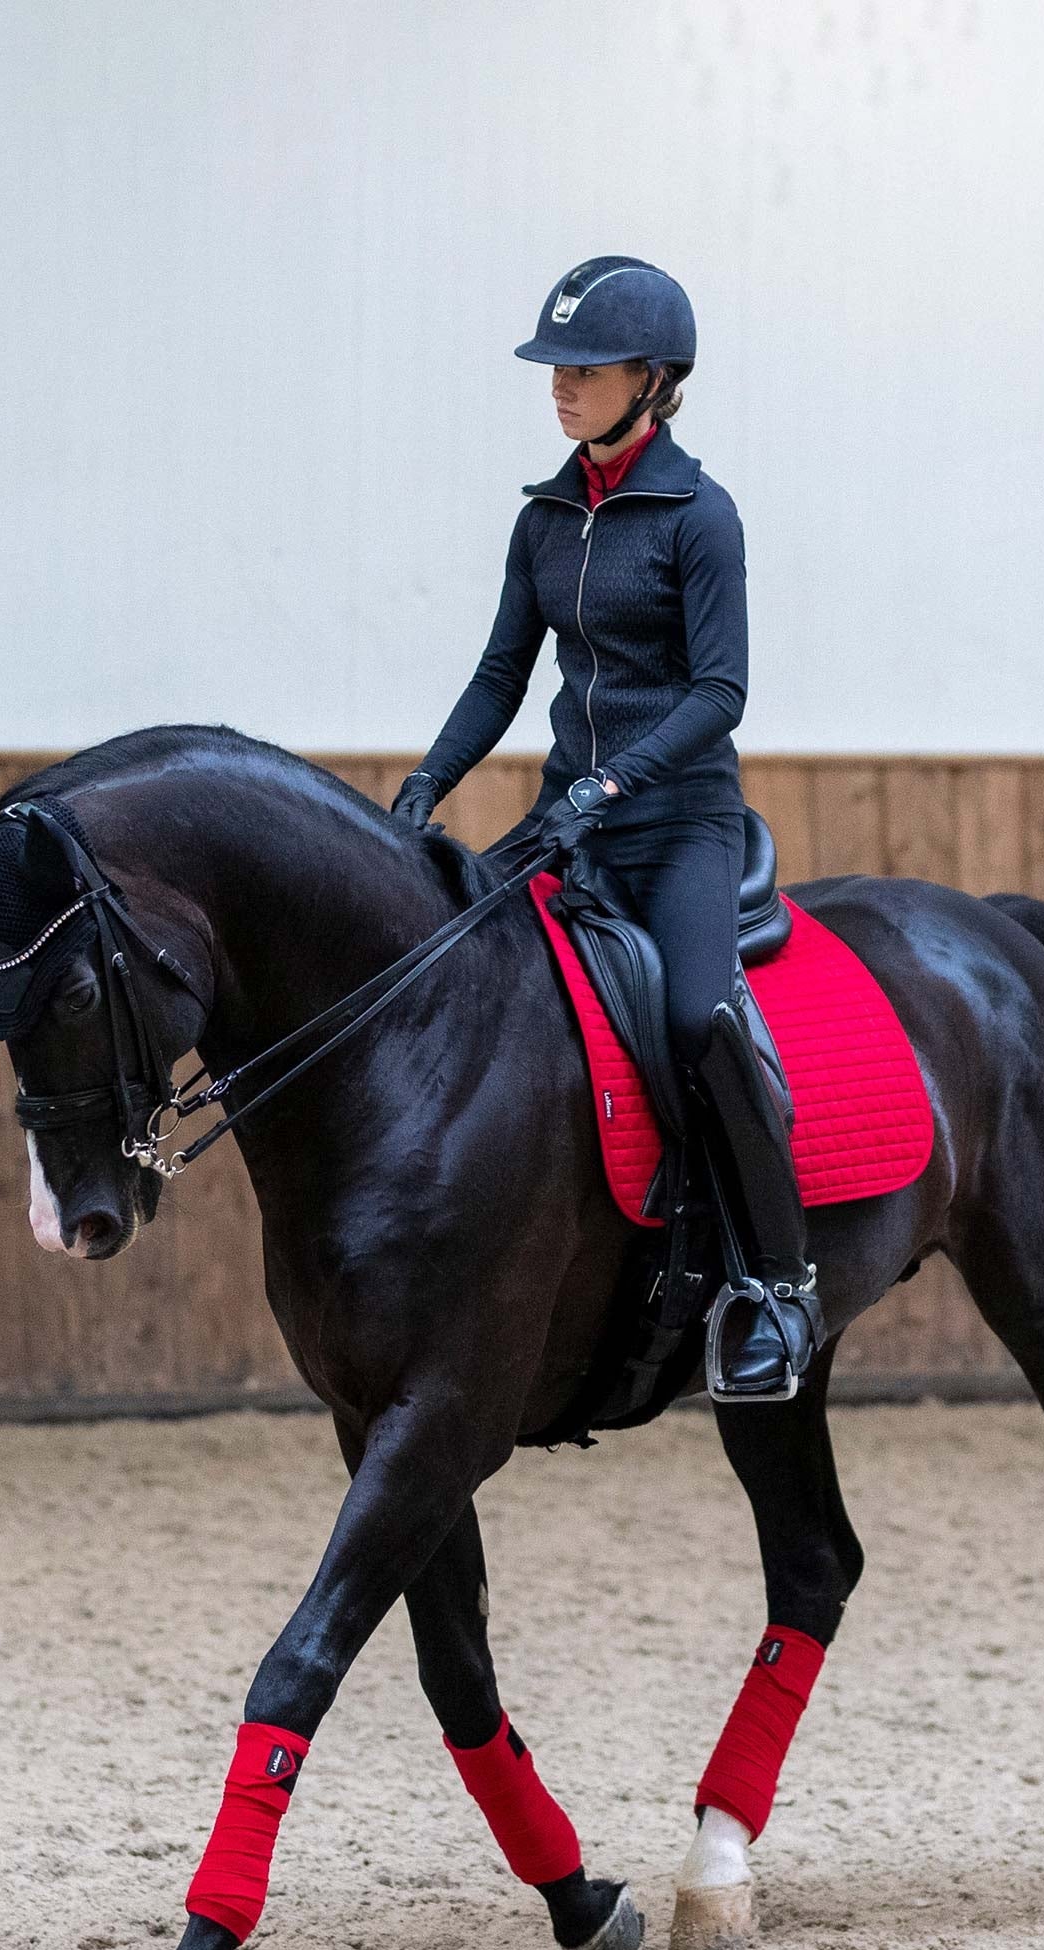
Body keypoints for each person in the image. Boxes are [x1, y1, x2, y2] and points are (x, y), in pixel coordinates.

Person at [392, 256, 822, 1398]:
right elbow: (501, 675)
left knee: (696, 1017)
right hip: (567, 820)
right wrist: (426, 782)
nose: (561, 385)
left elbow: (720, 692)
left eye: (585, 369)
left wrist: (619, 780)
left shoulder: (699, 516)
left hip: (677, 826)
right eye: (555, 368)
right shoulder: (544, 518)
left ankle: (777, 1285)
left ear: (653, 380)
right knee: (454, 971)